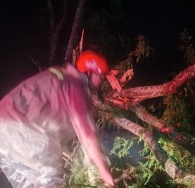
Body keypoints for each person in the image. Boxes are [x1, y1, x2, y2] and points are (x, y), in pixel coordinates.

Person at [0, 50, 115, 187]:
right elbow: (87, 134)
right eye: (100, 77)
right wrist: (102, 169)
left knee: (30, 182)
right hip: (21, 130)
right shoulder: (75, 87)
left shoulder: (60, 75)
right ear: (89, 72)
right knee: (50, 177)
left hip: (5, 131)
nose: (101, 82)